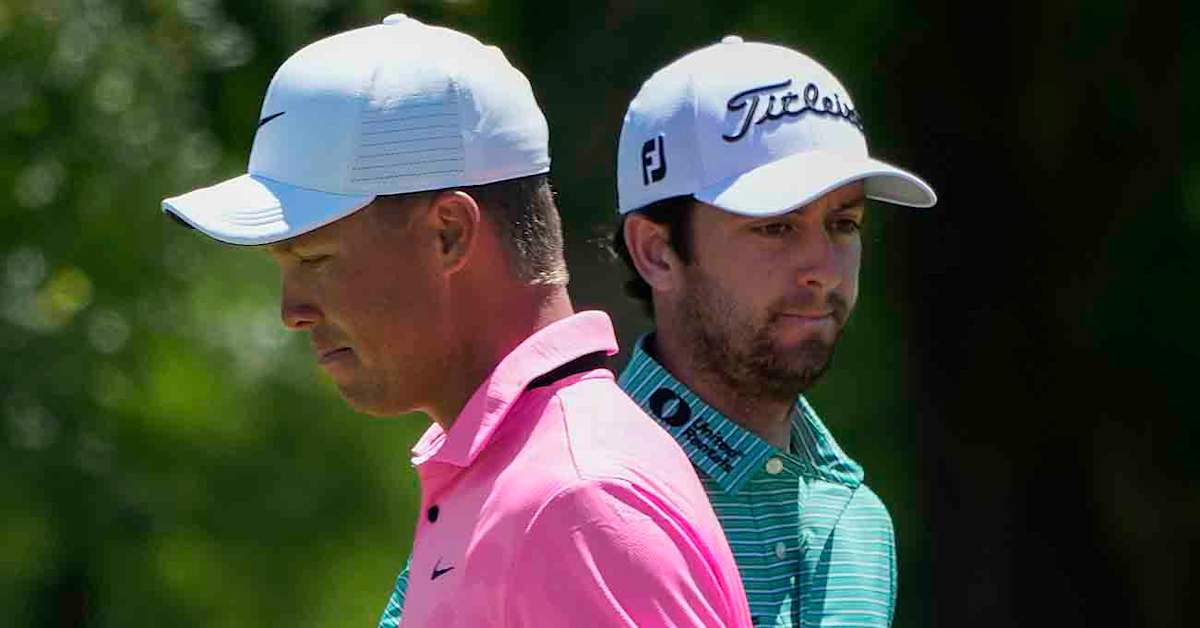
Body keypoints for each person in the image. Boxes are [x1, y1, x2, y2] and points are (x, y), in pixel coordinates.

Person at [161, 15, 752, 628]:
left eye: (315, 259)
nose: (292, 312)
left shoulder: (572, 501)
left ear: (449, 234)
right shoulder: (526, 481)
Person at [610, 36, 938, 627]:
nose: (824, 269)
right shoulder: (575, 495)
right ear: (656, 252)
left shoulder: (858, 522)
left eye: (844, 223)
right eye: (776, 227)